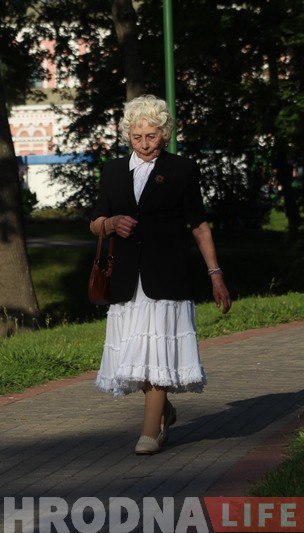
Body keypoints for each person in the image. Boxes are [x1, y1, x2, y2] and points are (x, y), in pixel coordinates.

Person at [89, 94, 232, 455]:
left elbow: (199, 226)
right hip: (125, 278)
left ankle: (151, 430)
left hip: (167, 276)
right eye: (137, 137)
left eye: (151, 136)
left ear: (164, 133)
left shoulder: (183, 170)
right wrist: (110, 222)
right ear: (128, 136)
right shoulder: (113, 171)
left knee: (156, 352)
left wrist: (215, 274)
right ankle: (164, 409)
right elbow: (94, 223)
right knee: (136, 354)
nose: (145, 144)